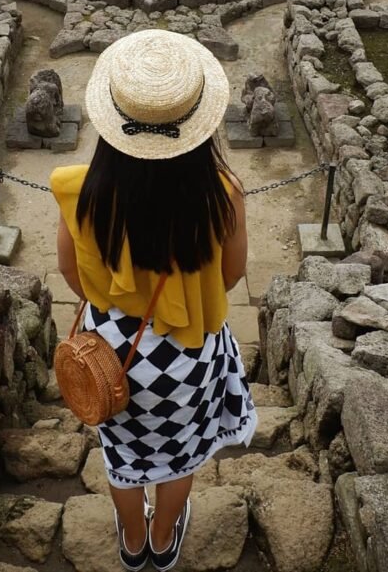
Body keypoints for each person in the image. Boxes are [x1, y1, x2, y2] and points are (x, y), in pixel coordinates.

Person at [51, 30, 256, 572]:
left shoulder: (79, 191)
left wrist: (114, 307)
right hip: (188, 353)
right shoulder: (223, 195)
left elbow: (71, 273)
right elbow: (232, 275)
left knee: (122, 452)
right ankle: (164, 540)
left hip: (110, 351)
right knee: (180, 450)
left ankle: (132, 538)